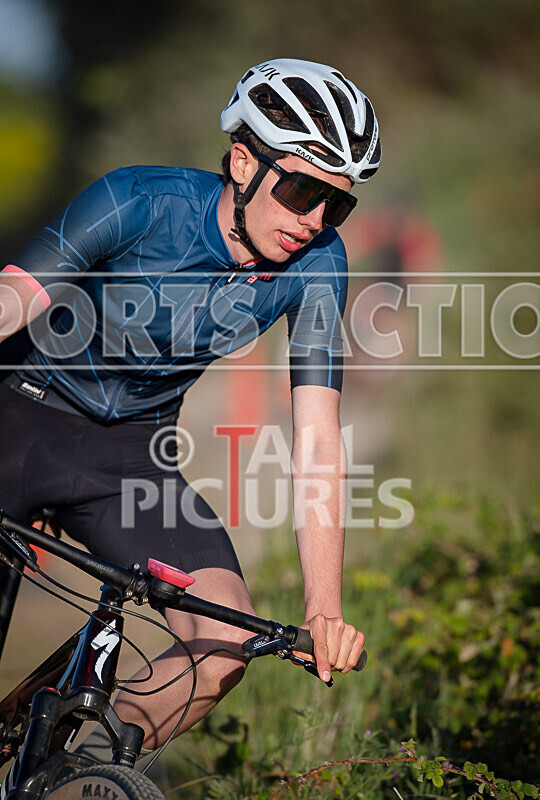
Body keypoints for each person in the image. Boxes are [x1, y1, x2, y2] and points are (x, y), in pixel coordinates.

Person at [0, 58, 381, 755]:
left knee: (227, 643)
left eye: (338, 202)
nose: (316, 219)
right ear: (243, 161)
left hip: (130, 456)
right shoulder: (137, 200)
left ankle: (81, 774)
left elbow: (319, 439)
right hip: (23, 417)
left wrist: (323, 608)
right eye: (301, 190)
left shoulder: (321, 261)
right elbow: (15, 298)